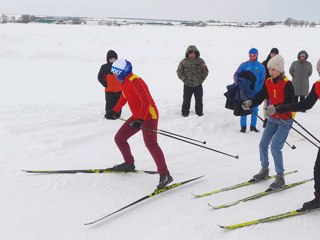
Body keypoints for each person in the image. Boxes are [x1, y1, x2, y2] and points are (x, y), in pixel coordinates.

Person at [105, 59, 173, 189]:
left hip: (149, 115)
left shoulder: (135, 81)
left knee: (151, 144)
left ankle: (165, 174)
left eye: (117, 72)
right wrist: (114, 110)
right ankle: (129, 163)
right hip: (138, 116)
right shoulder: (124, 82)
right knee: (119, 138)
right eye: (113, 72)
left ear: (124, 71)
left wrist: (140, 120)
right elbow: (124, 96)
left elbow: (146, 101)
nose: (114, 75)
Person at [265, 59, 320, 209]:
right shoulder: (318, 86)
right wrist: (282, 108)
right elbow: (305, 104)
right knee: (318, 168)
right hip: (277, 116)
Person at [242, 55, 295, 189]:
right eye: (269, 69)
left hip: (285, 119)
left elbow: (291, 103)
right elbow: (261, 96)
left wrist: (277, 108)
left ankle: (280, 177)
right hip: (272, 118)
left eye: (273, 70)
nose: (270, 72)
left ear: (280, 69)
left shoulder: (287, 84)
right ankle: (265, 169)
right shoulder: (268, 82)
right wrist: (251, 102)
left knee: (276, 147)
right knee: (263, 144)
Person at [234, 48, 266, 133]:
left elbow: (262, 80)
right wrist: (237, 82)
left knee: (255, 109)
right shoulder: (244, 65)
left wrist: (259, 90)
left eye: (254, 55)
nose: (252, 57)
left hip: (256, 92)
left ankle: (253, 126)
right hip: (245, 92)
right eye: (250, 55)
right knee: (244, 108)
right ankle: (243, 126)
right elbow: (236, 74)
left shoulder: (261, 67)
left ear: (257, 55)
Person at [177, 45, 209, 117]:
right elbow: (179, 72)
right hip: (187, 85)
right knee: (186, 100)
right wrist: (184, 80)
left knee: (199, 100)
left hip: (198, 85)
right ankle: (185, 113)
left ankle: (199, 113)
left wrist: (201, 80)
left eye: (194, 52)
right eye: (190, 52)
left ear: (196, 53)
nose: (192, 54)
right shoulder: (183, 62)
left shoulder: (201, 61)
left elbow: (205, 71)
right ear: (187, 53)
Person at [97, 50, 122, 118]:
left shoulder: (120, 66)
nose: (113, 60)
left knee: (118, 103)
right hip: (109, 90)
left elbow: (124, 76)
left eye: (114, 59)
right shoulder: (104, 67)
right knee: (109, 103)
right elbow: (99, 77)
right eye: (111, 59)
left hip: (119, 89)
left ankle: (117, 115)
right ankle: (109, 115)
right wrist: (105, 84)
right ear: (108, 59)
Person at [261, 48, 279, 128]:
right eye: (272, 53)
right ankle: (266, 119)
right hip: (267, 87)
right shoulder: (265, 63)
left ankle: (273, 119)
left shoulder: (279, 63)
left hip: (276, 87)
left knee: (275, 104)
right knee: (267, 104)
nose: (273, 55)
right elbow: (262, 75)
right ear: (270, 53)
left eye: (275, 54)